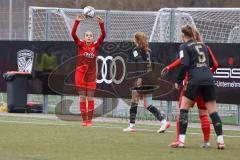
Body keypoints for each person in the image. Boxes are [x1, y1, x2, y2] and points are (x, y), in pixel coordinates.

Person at [169, 24, 224, 149]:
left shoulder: (184, 46)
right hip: (208, 80)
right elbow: (213, 64)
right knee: (212, 111)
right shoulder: (204, 46)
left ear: (183, 35)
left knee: (183, 108)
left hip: (194, 81)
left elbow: (184, 64)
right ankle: (220, 141)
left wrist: (178, 81)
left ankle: (181, 141)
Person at [123, 32, 170, 133]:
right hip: (150, 78)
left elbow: (140, 62)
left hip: (143, 78)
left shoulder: (136, 50)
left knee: (134, 101)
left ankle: (131, 126)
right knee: (148, 104)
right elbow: (153, 65)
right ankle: (164, 122)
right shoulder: (149, 51)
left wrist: (140, 77)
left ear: (136, 40)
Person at [71, 13, 106, 127]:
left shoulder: (95, 46)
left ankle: (89, 121)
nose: (89, 37)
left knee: (90, 97)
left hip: (91, 75)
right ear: (84, 37)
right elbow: (73, 34)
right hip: (80, 74)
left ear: (93, 37)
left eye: (91, 35)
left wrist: (101, 24)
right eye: (87, 35)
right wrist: (77, 22)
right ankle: (84, 120)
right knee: (82, 97)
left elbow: (103, 35)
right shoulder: (80, 44)